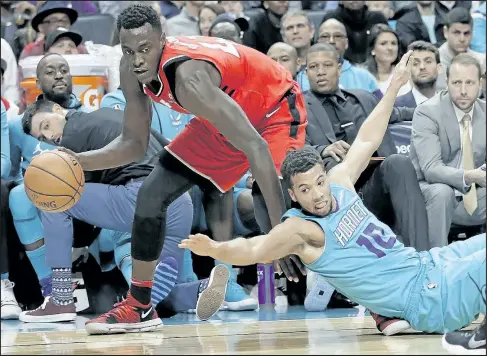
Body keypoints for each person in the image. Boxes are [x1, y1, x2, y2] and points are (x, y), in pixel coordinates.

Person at [180, 52, 486, 343]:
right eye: (304, 190)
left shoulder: (340, 182)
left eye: (319, 183)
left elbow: (367, 138)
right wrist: (215, 248)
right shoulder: (301, 230)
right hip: (426, 299)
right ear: (293, 195)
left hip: (429, 264)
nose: (317, 195)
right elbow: (253, 248)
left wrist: (394, 85)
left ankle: (389, 313)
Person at [58, 4, 307, 334]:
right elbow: (132, 145)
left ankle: (370, 286)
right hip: (226, 117)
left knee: (274, 208)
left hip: (273, 109)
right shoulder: (132, 69)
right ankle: (140, 306)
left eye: (145, 49)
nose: (136, 60)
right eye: (129, 50)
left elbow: (255, 147)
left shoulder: (188, 79)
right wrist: (77, 161)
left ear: (163, 40)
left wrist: (280, 232)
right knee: (150, 193)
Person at [19, 100, 228, 328]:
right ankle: (199, 291)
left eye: (46, 125)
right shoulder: (114, 116)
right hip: (180, 203)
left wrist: (79, 244)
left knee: (54, 197)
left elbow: (72, 197)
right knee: (148, 292)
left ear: (59, 110)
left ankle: (60, 299)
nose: (49, 137)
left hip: (142, 197)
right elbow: (170, 149)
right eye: (41, 137)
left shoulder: (73, 133)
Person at [409, 53, 486, 248]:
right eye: (456, 83)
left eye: (469, 83)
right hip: (429, 191)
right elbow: (431, 169)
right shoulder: (427, 112)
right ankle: (435, 264)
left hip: (474, 195)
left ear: (480, 83)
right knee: (442, 192)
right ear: (446, 82)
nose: (462, 91)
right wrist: (471, 176)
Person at [316, 19, 378, 93]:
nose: (331, 41)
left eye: (337, 36)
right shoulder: (303, 78)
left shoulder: (365, 77)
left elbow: (383, 104)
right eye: (325, 36)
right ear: (317, 42)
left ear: (346, 43)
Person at [436, 7, 484, 91]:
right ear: (446, 32)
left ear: (472, 34)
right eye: (456, 33)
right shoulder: (433, 63)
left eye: (466, 33)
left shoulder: (481, 62)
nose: (462, 39)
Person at [395, 40, 441, 108]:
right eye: (415, 63)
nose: (422, 67)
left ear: (439, 68)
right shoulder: (396, 106)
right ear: (408, 70)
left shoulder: (450, 105)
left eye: (428, 62)